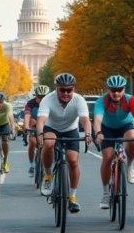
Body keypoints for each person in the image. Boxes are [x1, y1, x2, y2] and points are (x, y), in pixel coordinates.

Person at [36, 73, 92, 213]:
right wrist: (40, 134)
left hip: (70, 130)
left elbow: (85, 119)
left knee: (73, 161)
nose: (66, 93)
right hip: (51, 128)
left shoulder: (79, 100)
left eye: (69, 90)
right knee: (49, 143)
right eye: (62, 90)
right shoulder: (48, 99)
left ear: (73, 89)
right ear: (56, 88)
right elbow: (41, 120)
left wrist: (88, 133)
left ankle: (72, 197)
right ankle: (48, 175)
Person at [94, 75, 134, 209]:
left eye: (119, 90)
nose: (116, 93)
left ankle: (129, 167)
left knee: (132, 142)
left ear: (124, 89)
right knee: (107, 157)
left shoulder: (130, 100)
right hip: (107, 128)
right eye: (113, 90)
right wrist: (99, 133)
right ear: (108, 90)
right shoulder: (102, 101)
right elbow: (97, 120)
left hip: (126, 125)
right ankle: (106, 194)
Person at [24, 85, 51, 177]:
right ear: (36, 96)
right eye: (39, 97)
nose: (41, 99)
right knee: (32, 142)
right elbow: (27, 115)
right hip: (34, 127)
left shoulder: (52, 102)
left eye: (44, 97)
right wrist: (27, 127)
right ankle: (31, 165)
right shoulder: (30, 103)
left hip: (47, 126)